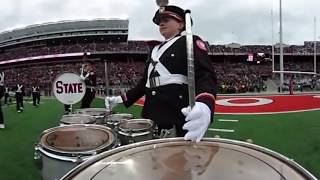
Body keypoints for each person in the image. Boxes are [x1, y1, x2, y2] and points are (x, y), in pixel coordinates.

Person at [106, 5, 217, 142]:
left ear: (181, 24)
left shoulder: (189, 41)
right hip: (151, 116)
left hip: (176, 115)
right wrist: (121, 99)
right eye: (159, 21)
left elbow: (205, 74)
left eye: (167, 19)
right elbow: (144, 84)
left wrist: (205, 103)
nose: (161, 23)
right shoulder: (154, 49)